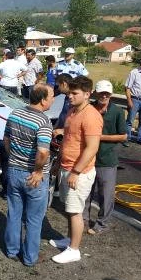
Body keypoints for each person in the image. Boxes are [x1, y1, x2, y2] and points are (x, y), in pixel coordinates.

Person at [49, 75, 102, 264]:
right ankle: (69, 240)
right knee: (68, 209)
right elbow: (69, 139)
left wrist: (76, 172)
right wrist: (57, 163)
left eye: (74, 93)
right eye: (69, 92)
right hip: (66, 166)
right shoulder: (72, 111)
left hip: (79, 172)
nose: (70, 96)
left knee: (75, 211)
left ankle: (74, 249)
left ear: (87, 94)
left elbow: (91, 147)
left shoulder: (91, 115)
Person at [4, 84, 54, 266]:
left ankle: (11, 250)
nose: (53, 100)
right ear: (42, 100)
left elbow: (7, 139)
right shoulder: (44, 122)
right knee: (34, 219)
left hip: (14, 170)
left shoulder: (15, 113)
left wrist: (13, 158)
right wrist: (39, 171)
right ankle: (29, 257)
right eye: (51, 96)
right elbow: (42, 152)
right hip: (34, 176)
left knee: (14, 213)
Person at [83, 80, 127, 235]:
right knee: (86, 191)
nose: (104, 96)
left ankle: (102, 223)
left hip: (107, 159)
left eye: (107, 93)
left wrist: (100, 137)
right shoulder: (88, 108)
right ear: (95, 92)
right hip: (88, 157)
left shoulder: (116, 111)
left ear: (111, 94)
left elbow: (123, 136)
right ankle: (83, 221)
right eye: (101, 93)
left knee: (106, 195)